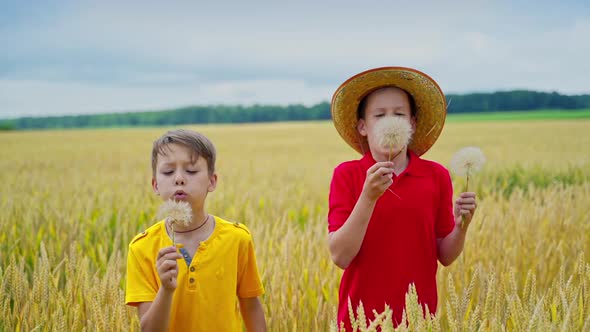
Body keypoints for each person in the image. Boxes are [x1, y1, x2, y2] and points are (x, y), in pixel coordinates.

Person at [328, 67, 477, 329]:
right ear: (362, 126)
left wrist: (461, 226)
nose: (390, 121)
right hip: (359, 321)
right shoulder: (347, 175)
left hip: (418, 321)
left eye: (398, 114)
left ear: (412, 123)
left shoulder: (435, 176)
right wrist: (368, 196)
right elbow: (340, 256)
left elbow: (445, 255)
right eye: (379, 115)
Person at [125, 129, 267, 331]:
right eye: (168, 172)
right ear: (155, 185)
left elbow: (252, 307)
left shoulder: (237, 239)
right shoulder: (142, 248)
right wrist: (166, 289)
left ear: (212, 181)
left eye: (191, 171)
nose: (179, 179)